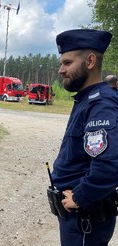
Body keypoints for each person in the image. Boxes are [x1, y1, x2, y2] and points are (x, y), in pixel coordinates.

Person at [50, 29, 118, 246]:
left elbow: (109, 164)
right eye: (61, 63)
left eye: (67, 63)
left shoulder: (101, 104)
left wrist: (80, 197)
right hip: (79, 218)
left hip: (85, 218)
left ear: (90, 61)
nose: (61, 70)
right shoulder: (88, 99)